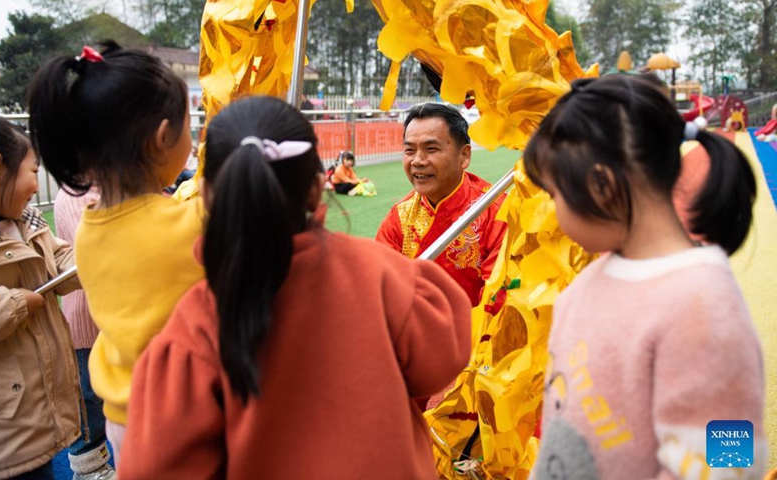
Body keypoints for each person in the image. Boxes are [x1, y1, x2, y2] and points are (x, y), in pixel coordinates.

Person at [118, 96, 473, 479]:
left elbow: (156, 466)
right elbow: (442, 359)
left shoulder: (192, 326)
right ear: (318, 185)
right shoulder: (383, 274)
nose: (418, 160)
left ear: (205, 195)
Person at [524, 75, 765, 478]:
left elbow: (732, 460)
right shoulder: (592, 281)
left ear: (601, 184)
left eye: (554, 194)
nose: (554, 212)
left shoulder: (702, 302)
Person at [27, 42, 205, 462]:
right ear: (163, 138)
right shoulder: (188, 223)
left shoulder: (88, 232)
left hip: (123, 418)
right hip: (179, 414)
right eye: (189, 128)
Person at [0, 115, 82, 479]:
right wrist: (15, 304)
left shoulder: (27, 220)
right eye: (33, 171)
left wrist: (98, 260)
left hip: (35, 411)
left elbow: (60, 259)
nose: (36, 186)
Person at [376, 103, 507, 307]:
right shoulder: (399, 218)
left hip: (479, 333)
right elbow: (382, 287)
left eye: (431, 149)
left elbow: (497, 299)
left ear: (464, 156)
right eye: (409, 150)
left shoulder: (496, 210)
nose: (418, 160)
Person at [54, 186, 116, 480]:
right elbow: (95, 249)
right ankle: (89, 466)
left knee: (110, 395)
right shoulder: (75, 195)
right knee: (89, 400)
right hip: (86, 322)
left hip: (114, 318)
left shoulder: (110, 185)